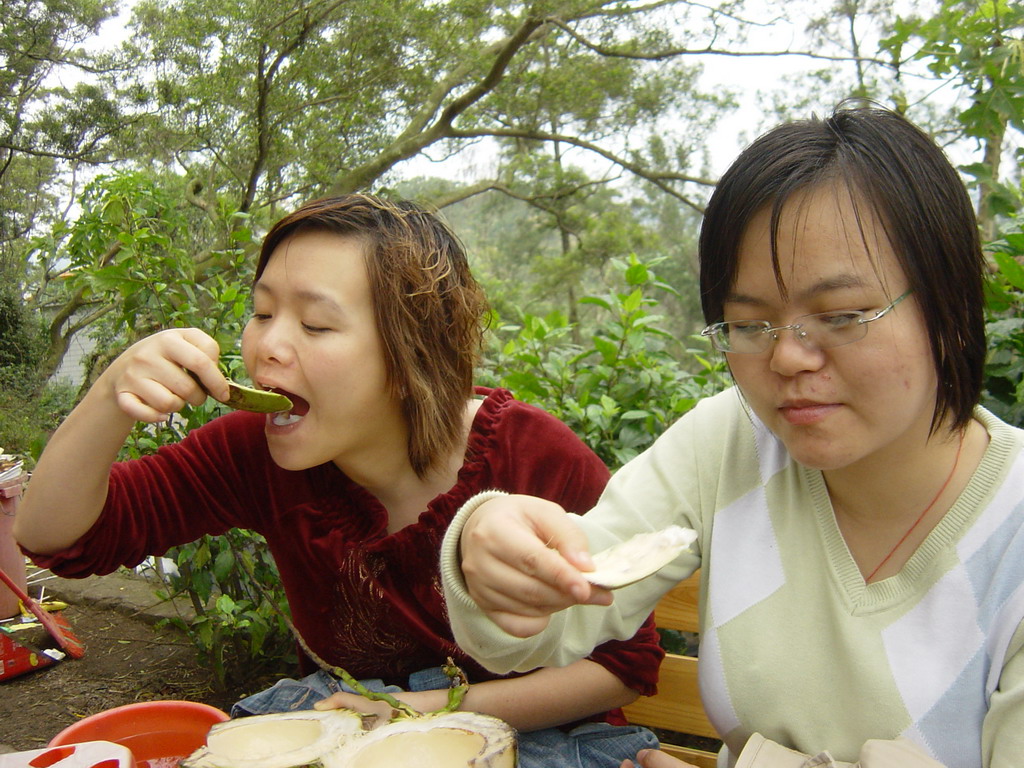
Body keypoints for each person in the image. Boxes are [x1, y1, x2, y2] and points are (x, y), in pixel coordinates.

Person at [438, 106, 1024, 768]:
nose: (787, 360)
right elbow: (551, 622)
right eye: (749, 324)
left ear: (949, 305)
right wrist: (491, 559)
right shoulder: (730, 444)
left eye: (839, 314)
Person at [14, 194, 664, 768]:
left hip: (539, 737)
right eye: (262, 312)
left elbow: (621, 666)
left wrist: (423, 707)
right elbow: (59, 539)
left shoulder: (532, 458)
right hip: (350, 726)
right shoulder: (258, 451)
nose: (267, 344)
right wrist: (109, 398)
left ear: (413, 356)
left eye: (316, 324)